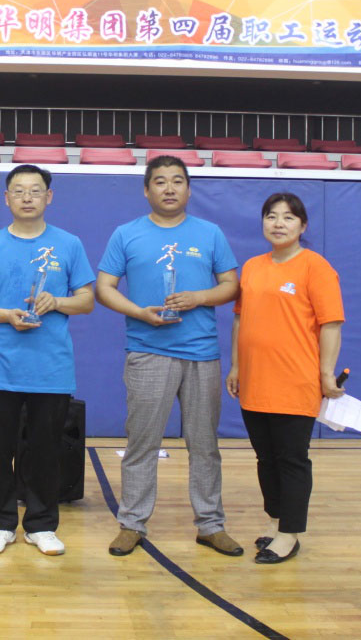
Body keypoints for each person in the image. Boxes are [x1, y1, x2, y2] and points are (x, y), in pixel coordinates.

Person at [96, 155, 242, 557]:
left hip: (201, 354)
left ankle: (210, 525)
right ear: (147, 190)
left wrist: (199, 297)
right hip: (147, 352)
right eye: (160, 181)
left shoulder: (210, 233)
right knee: (141, 443)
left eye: (178, 181)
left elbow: (231, 285)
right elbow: (104, 288)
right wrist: (138, 312)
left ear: (189, 190)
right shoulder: (126, 234)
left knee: (204, 444)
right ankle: (132, 524)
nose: (169, 188)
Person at [0, 165, 96, 556]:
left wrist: (57, 302)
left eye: (35, 190)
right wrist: (6, 315)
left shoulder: (69, 244)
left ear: (49, 197)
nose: (27, 197)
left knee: (45, 451)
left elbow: (87, 300)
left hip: (50, 368)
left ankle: (41, 524)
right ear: (6, 198)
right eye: (18, 190)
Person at [226, 192, 345, 564]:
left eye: (288, 217)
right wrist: (236, 366)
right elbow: (240, 320)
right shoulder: (252, 267)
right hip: (255, 380)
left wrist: (326, 374)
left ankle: (290, 534)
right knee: (266, 458)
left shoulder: (316, 267)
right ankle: (277, 522)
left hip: (295, 381)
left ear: (302, 225)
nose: (278, 223)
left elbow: (331, 324)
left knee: (291, 459)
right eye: (271, 216)